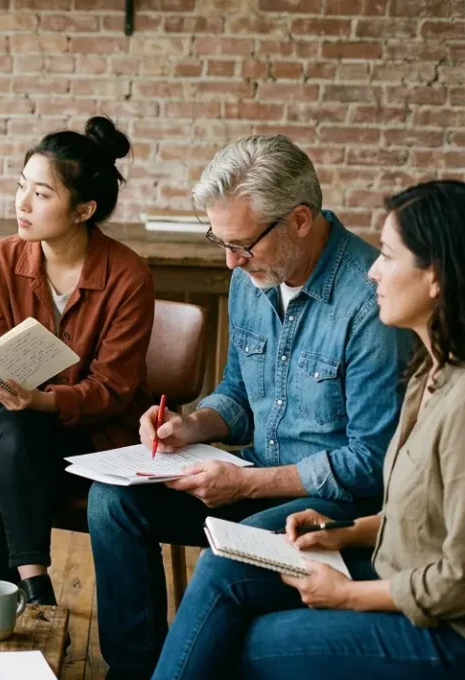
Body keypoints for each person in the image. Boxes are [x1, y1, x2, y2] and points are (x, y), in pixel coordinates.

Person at [87, 135, 411, 680]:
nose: (231, 261)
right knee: (110, 503)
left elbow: (370, 462)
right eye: (220, 240)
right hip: (251, 481)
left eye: (242, 244)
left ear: (300, 220)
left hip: (333, 509)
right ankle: (135, 670)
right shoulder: (253, 277)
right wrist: (191, 424)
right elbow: (238, 395)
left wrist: (248, 486)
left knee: (227, 560)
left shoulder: (369, 302)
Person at [151, 180, 465, 679]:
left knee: (251, 644)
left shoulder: (459, 402)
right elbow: (420, 517)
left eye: (387, 255)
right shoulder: (429, 372)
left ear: (436, 278)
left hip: (446, 624)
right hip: (392, 562)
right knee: (217, 572)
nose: (374, 269)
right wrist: (345, 532)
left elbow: (458, 579)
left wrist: (349, 596)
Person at [0, 116, 153, 606]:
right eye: (20, 187)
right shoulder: (0, 260)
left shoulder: (128, 276)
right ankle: (36, 585)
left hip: (91, 433)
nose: (22, 204)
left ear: (83, 209)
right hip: (10, 420)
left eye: (42, 194)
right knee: (19, 425)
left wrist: (43, 400)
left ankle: (16, 603)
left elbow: (113, 389)